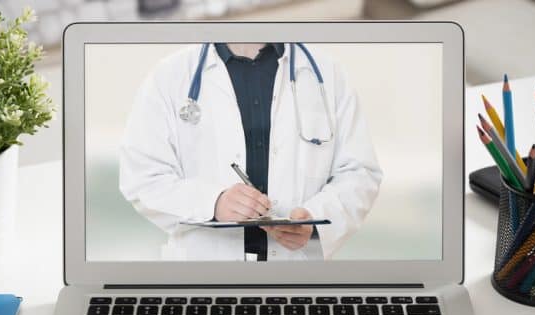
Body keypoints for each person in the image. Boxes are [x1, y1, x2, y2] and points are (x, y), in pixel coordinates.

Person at [119, 42, 382, 261]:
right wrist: (212, 202)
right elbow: (142, 178)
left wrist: (313, 219)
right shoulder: (169, 76)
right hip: (204, 275)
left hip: (295, 275)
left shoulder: (328, 73)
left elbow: (360, 173)